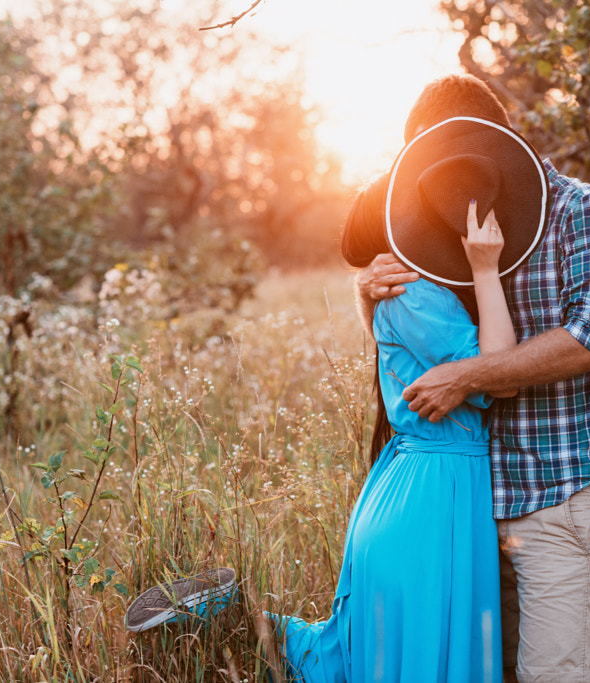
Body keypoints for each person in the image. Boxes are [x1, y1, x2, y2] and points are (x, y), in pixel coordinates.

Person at [125, 116, 553, 683]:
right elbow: (502, 375)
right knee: (406, 653)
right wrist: (485, 267)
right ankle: (223, 621)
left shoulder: (406, 294)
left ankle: (227, 622)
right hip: (436, 492)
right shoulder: (421, 298)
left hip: (420, 482)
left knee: (376, 651)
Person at [358, 74, 590, 683]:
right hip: (471, 506)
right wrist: (371, 296)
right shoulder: (453, 233)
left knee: (550, 676)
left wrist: (467, 375)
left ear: (489, 136)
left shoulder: (583, 209)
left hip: (561, 493)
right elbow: (418, 345)